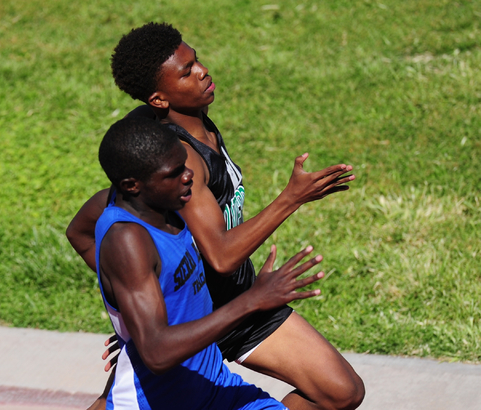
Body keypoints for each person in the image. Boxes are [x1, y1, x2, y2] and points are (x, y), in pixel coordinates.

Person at [67, 23, 365, 410]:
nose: (202, 72)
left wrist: (136, 310)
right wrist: (290, 199)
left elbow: (84, 231)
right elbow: (220, 257)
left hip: (232, 300)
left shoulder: (193, 121)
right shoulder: (177, 154)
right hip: (224, 307)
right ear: (159, 99)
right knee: (132, 397)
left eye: (197, 61)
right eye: (186, 71)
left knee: (342, 391)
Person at [93, 116, 326, 409]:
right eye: (174, 173)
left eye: (185, 164)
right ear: (132, 186)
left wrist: (132, 308)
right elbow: (156, 352)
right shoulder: (127, 239)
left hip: (215, 387)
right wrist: (253, 300)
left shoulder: (167, 206)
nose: (189, 175)